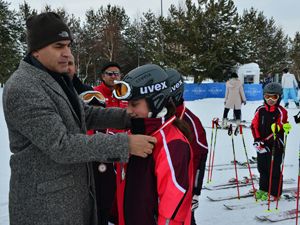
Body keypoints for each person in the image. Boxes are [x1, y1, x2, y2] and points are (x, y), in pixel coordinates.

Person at [2, 12, 156, 225]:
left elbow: (86, 114)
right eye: (58, 46)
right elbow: (61, 145)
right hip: (46, 208)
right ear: (35, 50)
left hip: (72, 199)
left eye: (68, 45)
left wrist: (129, 117)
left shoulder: (55, 77)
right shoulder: (23, 87)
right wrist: (125, 144)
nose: (67, 53)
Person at [113, 64, 194, 225]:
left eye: (134, 104)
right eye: (127, 104)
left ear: (155, 102)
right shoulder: (134, 135)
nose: (128, 110)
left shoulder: (172, 144)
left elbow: (173, 211)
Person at [165, 68, 208, 225]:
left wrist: (195, 192)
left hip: (182, 192)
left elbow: (200, 157)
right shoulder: (156, 116)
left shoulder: (190, 121)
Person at [92, 61, 128, 225]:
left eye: (117, 74)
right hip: (104, 154)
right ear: (102, 76)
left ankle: (118, 216)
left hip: (125, 150)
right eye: (110, 73)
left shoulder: (124, 92)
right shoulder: (95, 94)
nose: (114, 77)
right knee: (104, 192)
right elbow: (89, 124)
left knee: (124, 190)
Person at [250, 82, 288, 200]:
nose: (270, 100)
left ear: (279, 97)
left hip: (275, 145)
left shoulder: (281, 111)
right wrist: (257, 139)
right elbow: (254, 125)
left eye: (274, 97)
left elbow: (279, 125)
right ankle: (263, 189)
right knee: (262, 168)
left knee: (274, 169)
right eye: (267, 96)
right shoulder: (260, 110)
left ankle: (274, 192)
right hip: (261, 145)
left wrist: (266, 140)